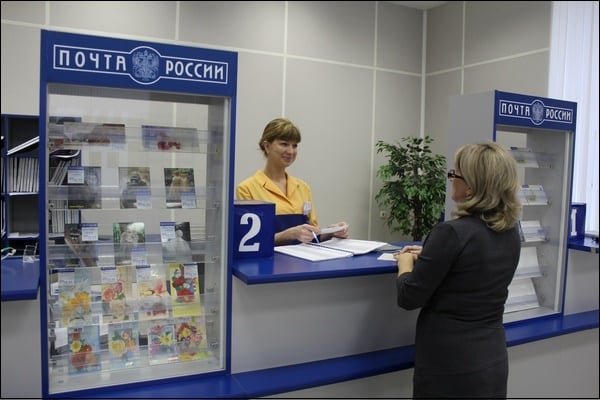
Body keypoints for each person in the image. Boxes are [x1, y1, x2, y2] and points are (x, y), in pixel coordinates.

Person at [393, 142, 522, 399]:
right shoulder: (511, 232)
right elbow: (473, 264)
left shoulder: (451, 233)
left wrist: (405, 264)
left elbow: (409, 297)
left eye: (455, 174)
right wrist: (435, 254)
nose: (451, 179)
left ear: (471, 186)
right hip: (492, 360)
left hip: (450, 366)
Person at [236, 117, 349, 245]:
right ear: (267, 146)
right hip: (270, 258)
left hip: (304, 257)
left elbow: (313, 236)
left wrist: (331, 232)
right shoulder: (247, 189)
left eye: (294, 146)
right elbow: (250, 242)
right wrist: (289, 235)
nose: (290, 151)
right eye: (284, 144)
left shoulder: (303, 187)